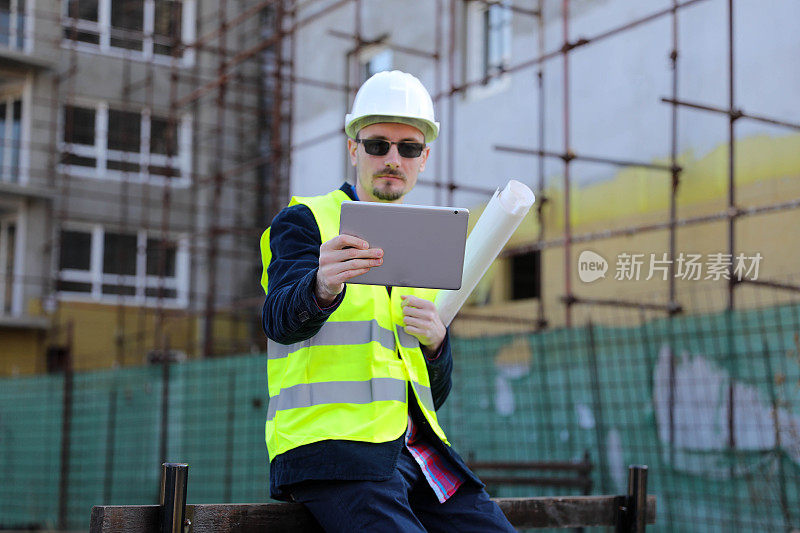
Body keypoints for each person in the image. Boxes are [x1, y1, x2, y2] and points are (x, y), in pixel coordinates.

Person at [260, 70, 515, 532]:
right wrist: (320, 288)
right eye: (378, 145)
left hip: (417, 452)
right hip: (334, 452)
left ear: (425, 158)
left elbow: (429, 393)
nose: (392, 158)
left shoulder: (427, 245)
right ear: (354, 148)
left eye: (408, 148)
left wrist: (438, 346)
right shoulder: (307, 222)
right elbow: (278, 320)